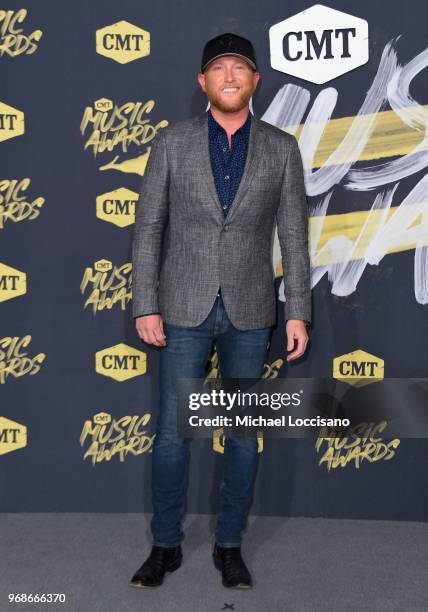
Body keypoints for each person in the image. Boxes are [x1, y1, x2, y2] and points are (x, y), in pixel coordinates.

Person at [129, 32, 311, 590]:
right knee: (171, 436)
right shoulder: (171, 143)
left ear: (256, 81)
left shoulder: (281, 147)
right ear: (202, 82)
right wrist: (145, 303)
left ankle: (230, 544)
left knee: (240, 433)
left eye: (240, 68)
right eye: (219, 69)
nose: (230, 76)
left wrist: (298, 310)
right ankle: (165, 545)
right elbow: (148, 228)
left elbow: (294, 237)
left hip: (252, 309)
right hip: (182, 304)